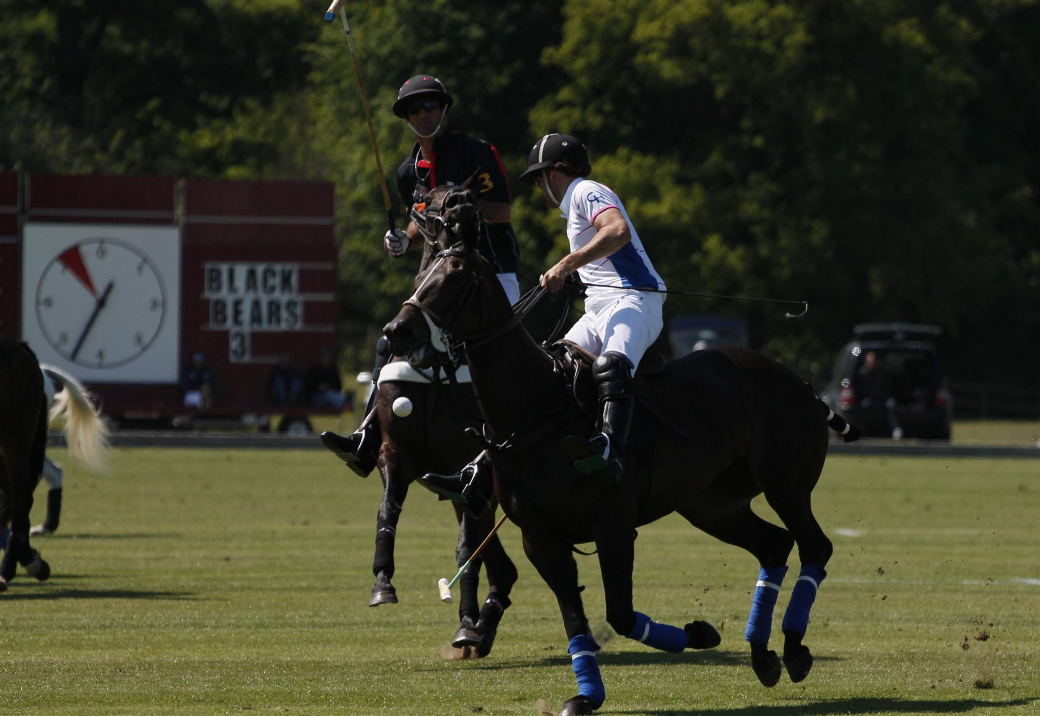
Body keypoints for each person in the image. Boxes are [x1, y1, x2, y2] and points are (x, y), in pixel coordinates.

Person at [420, 133, 666, 511]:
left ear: (553, 174)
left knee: (613, 365)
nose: (539, 189)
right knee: (552, 375)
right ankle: (481, 471)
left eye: (537, 180)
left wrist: (567, 264)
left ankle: (609, 451)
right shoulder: (575, 206)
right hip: (600, 306)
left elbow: (617, 231)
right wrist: (575, 275)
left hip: (635, 297)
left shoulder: (585, 190)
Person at [322, 73, 521, 477]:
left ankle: (508, 444)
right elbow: (419, 224)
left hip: (490, 276)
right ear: (406, 116)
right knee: (388, 343)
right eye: (415, 108)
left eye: (430, 105)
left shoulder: (476, 153)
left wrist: (458, 210)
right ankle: (366, 436)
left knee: (489, 361)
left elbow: (502, 211)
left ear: (444, 108)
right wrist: (402, 241)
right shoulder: (405, 173)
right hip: (440, 286)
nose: (423, 114)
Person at [854, 350, 904, 439]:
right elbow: (860, 389)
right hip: (870, 399)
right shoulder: (862, 373)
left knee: (892, 404)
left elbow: (889, 387)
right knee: (864, 405)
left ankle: (896, 428)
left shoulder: (882, 373)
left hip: (883, 398)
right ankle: (863, 429)